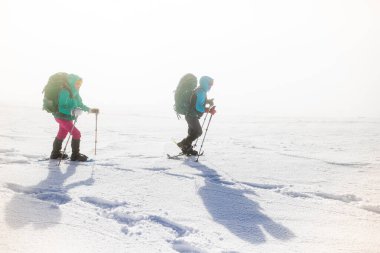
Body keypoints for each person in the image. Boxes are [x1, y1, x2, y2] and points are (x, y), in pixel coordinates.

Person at [50, 74, 99, 161]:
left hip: (68, 117)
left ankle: (55, 153)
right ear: (72, 82)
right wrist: (73, 111)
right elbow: (61, 107)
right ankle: (75, 155)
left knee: (62, 133)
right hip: (61, 116)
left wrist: (91, 110)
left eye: (80, 84)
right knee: (76, 133)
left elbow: (80, 105)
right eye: (77, 83)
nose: (78, 85)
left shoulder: (75, 93)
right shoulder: (65, 92)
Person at [177, 76, 216, 155]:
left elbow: (196, 101)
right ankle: (183, 143)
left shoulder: (199, 90)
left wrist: (208, 101)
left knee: (192, 133)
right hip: (191, 116)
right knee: (198, 132)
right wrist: (209, 110)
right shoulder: (201, 92)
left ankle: (187, 149)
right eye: (210, 84)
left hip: (189, 115)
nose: (211, 86)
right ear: (205, 83)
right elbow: (198, 107)